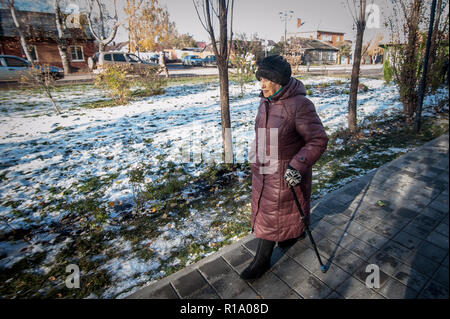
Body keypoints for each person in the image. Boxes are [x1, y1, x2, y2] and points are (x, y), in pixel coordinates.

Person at [241, 55, 328, 280]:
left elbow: (318, 139)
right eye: (260, 78)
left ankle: (262, 260)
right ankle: (292, 234)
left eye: (266, 80)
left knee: (272, 214)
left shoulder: (299, 105)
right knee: (278, 211)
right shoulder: (265, 101)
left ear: (278, 80)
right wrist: (254, 155)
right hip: (264, 166)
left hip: (285, 170)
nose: (261, 85)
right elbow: (261, 131)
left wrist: (297, 165)